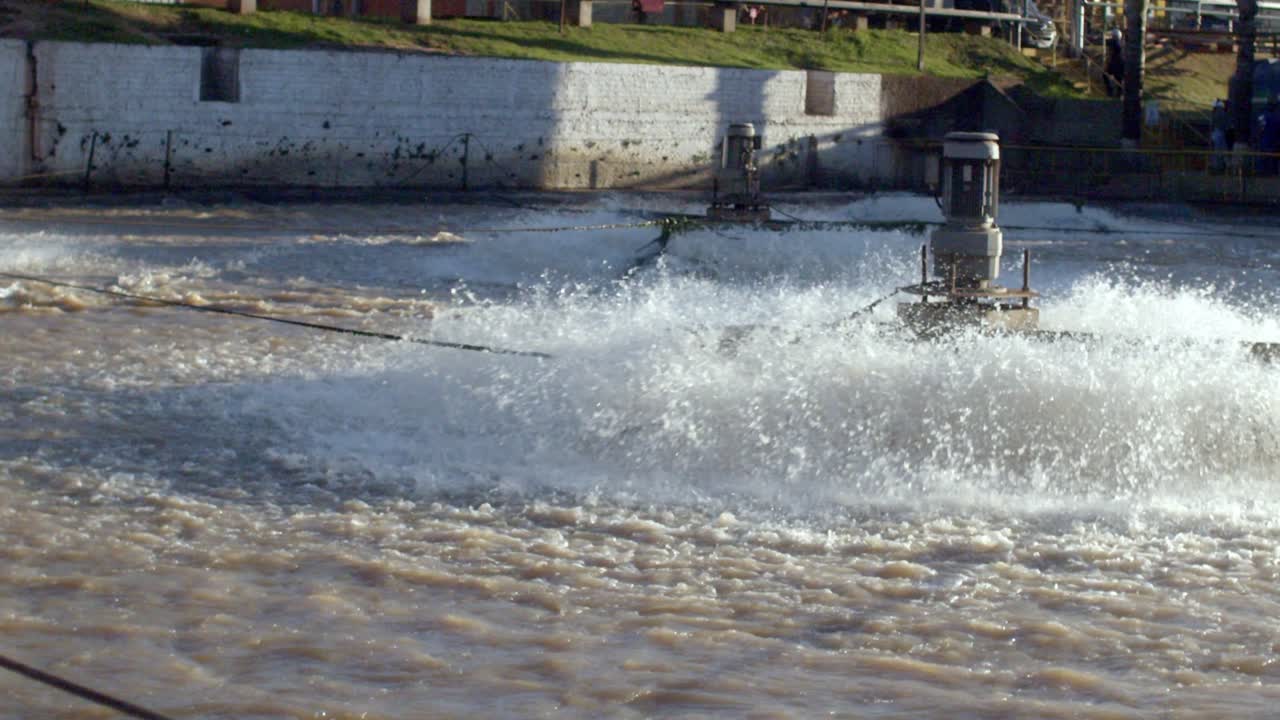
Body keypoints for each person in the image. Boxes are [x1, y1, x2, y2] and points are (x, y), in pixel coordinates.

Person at [1105, 29, 1124, 98]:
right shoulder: (1122, 42)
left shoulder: (1116, 42)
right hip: (1120, 64)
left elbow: (1116, 49)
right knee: (1119, 79)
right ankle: (1118, 94)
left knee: (1106, 75)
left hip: (1116, 64)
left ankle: (1111, 91)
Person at [1211, 98, 1229, 171]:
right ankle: (1218, 166)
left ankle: (1218, 166)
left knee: (1219, 150)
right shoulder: (1220, 113)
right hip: (1219, 132)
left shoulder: (1215, 113)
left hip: (1216, 132)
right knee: (1219, 150)